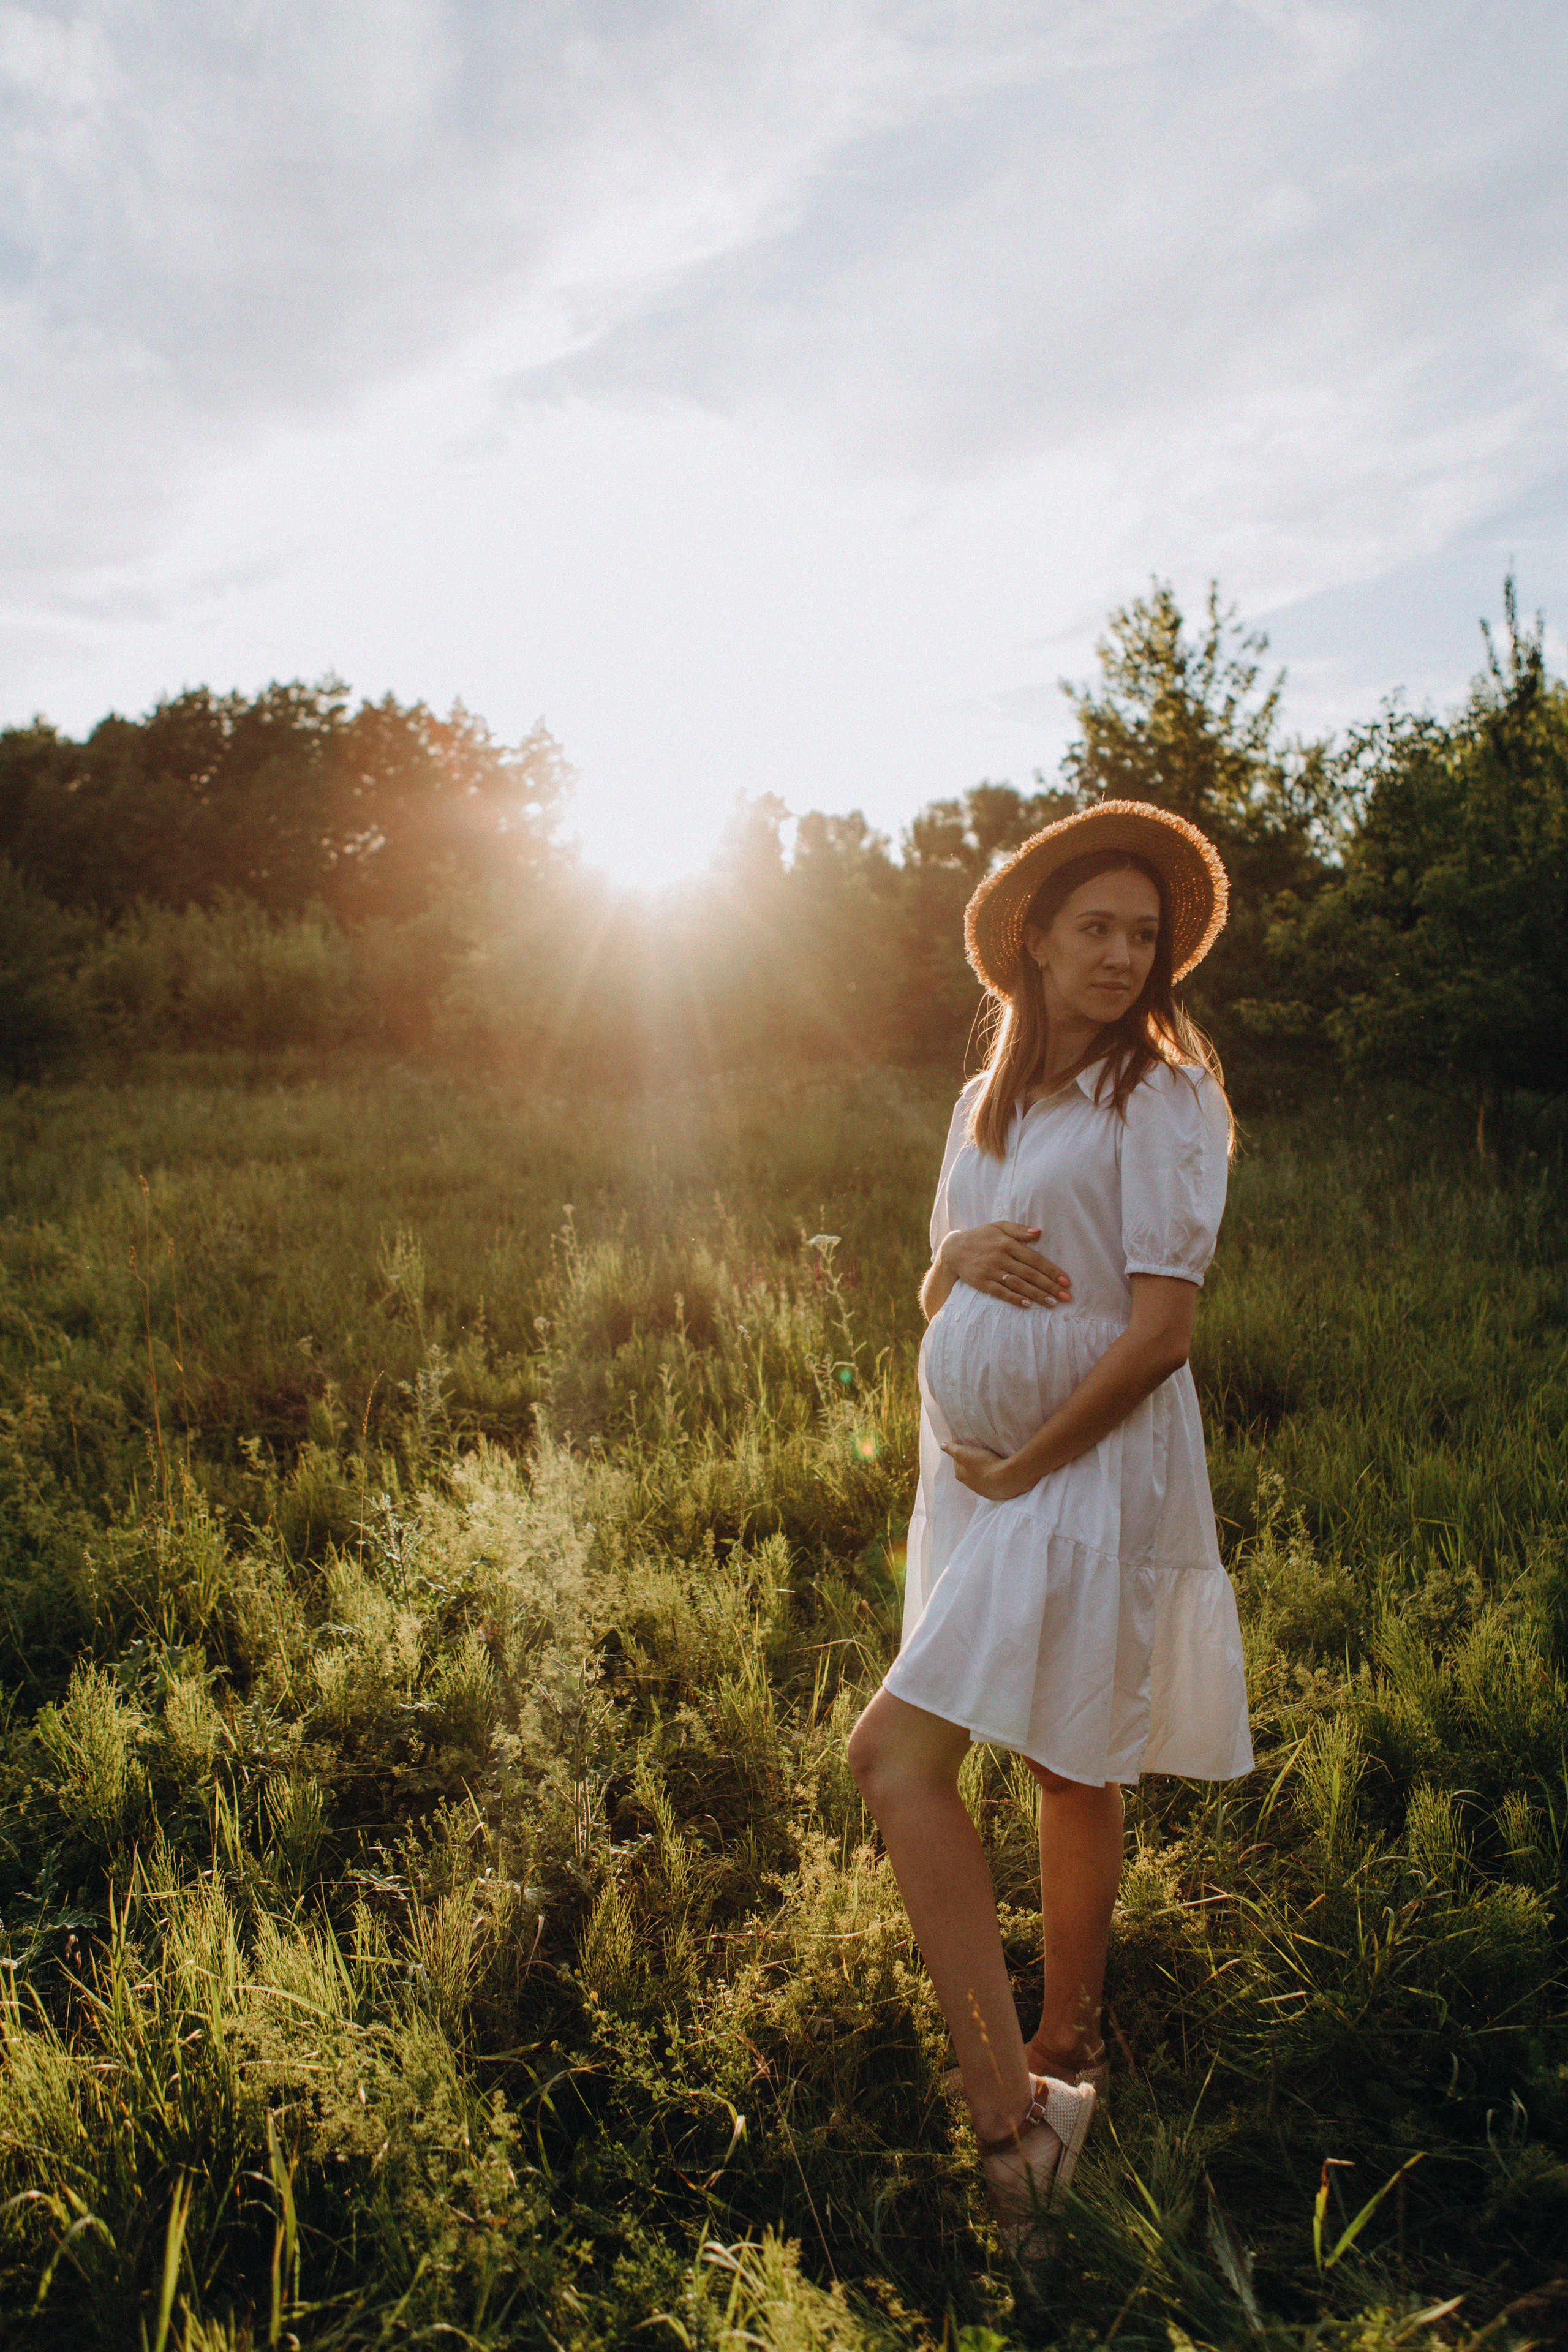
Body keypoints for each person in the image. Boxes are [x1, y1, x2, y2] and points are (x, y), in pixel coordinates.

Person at [846, 799, 1253, 2257]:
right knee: (1051, 1750)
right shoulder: (987, 1101)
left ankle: (1019, 2118)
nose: (1121, 956)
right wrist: (943, 1262)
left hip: (1079, 1466)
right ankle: (1063, 2053)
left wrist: (1031, 1468)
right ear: (1032, 935)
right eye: (1095, 928)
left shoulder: (1159, 1094)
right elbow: (941, 1284)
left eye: (1143, 937)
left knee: (909, 1757)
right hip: (969, 1476)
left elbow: (1156, 1334)